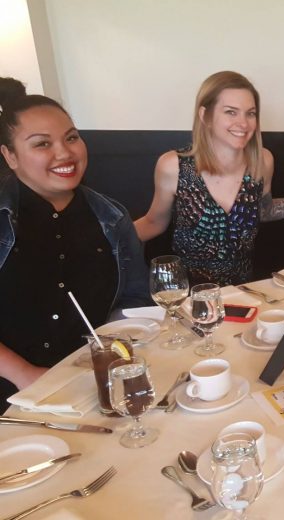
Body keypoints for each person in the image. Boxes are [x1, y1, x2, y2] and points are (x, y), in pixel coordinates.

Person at [0, 87, 150, 409]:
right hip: (12, 392)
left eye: (71, 138)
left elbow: (133, 299)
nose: (65, 153)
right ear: (10, 156)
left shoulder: (112, 217)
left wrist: (117, 350)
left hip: (91, 384)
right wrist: (25, 373)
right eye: (42, 143)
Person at [133, 71, 284, 286]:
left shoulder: (262, 161)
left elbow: (264, 210)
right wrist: (104, 243)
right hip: (187, 299)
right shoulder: (173, 165)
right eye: (231, 112)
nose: (243, 123)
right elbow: (154, 223)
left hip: (243, 295)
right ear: (205, 115)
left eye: (250, 113)